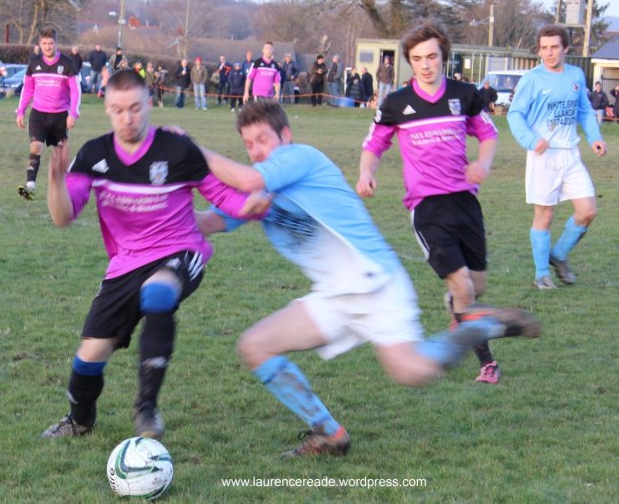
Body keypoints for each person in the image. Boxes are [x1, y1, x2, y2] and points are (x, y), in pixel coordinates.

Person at [194, 99, 539, 456]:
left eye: (263, 140)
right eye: (248, 144)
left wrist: (190, 150)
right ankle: (329, 434)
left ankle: (479, 326)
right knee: (255, 346)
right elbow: (210, 221)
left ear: (286, 135)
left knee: (413, 372)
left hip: (376, 281)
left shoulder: (299, 158)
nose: (256, 151)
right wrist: (161, 205)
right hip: (334, 295)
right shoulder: (257, 189)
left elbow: (249, 178)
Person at [39, 69, 268, 440]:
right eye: (118, 110)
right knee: (89, 355)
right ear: (106, 109)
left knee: (158, 292)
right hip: (126, 263)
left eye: (134, 108)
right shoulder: (94, 154)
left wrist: (251, 205)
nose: (127, 118)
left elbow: (222, 195)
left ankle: (146, 408)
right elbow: (63, 217)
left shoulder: (176, 149)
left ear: (149, 103)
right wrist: (55, 181)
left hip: (180, 250)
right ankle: (79, 419)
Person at [358, 20, 504, 384]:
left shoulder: (464, 94)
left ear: (444, 57)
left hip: (465, 202)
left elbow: (488, 133)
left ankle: (456, 304)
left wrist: (483, 164)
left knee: (477, 286)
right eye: (418, 58)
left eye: (432, 57)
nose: (425, 65)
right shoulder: (396, 103)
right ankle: (487, 363)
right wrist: (366, 173)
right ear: (410, 61)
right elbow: (374, 144)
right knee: (464, 287)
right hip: (426, 207)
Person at [507, 25, 607, 290]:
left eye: (554, 47)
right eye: (544, 48)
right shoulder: (532, 79)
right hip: (543, 156)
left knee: (587, 212)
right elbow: (514, 115)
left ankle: (559, 255)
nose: (549, 53)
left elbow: (584, 110)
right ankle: (542, 274)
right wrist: (531, 141)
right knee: (545, 215)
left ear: (565, 48)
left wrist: (595, 137)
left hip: (571, 154)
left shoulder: (575, 75)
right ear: (539, 50)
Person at [16, 27, 80, 201]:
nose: (47, 47)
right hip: (38, 114)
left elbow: (76, 91)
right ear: (40, 44)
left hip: (60, 116)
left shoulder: (67, 64)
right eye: (44, 43)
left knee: (59, 156)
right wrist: (21, 111)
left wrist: (73, 113)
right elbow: (27, 90)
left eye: (50, 43)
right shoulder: (34, 64)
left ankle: (61, 189)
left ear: (56, 43)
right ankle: (30, 186)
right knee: (35, 147)